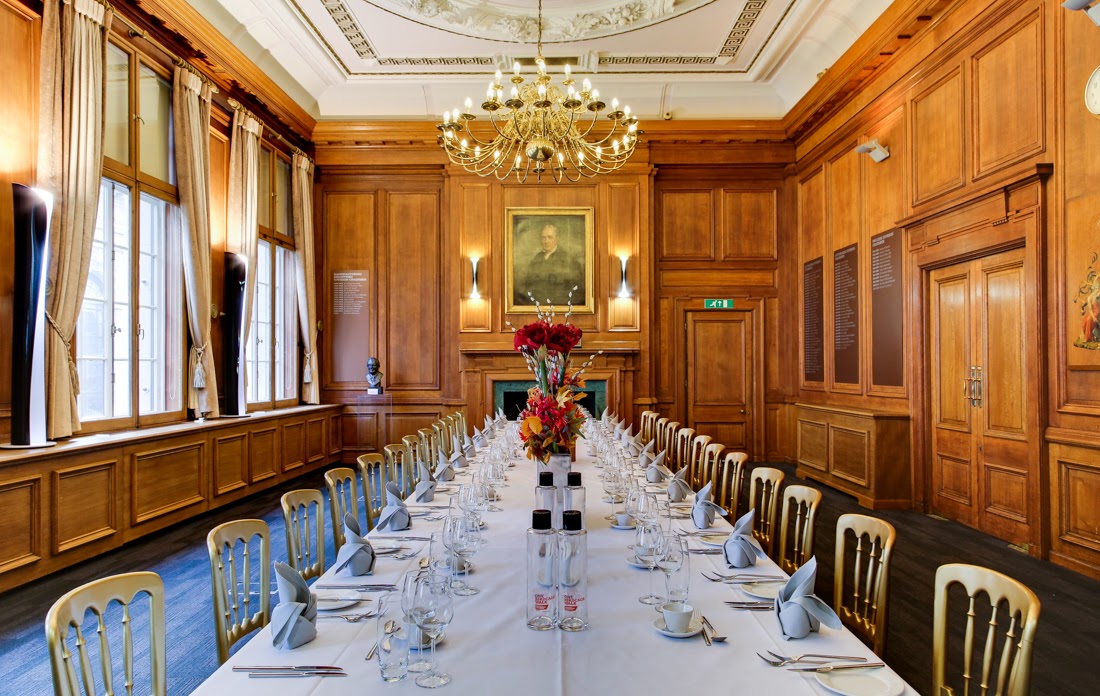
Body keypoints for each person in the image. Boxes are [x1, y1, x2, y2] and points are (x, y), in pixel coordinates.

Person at [518, 223, 584, 306]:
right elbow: (528, 286)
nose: (546, 241)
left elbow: (577, 292)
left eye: (550, 237)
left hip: (559, 307)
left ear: (557, 239)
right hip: (536, 307)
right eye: (543, 238)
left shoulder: (569, 261)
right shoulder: (536, 259)